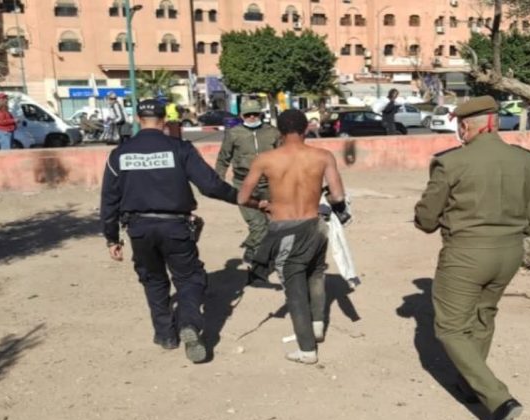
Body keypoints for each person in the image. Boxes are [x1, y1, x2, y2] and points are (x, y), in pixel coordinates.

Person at [413, 96, 530, 420]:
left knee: (450, 328)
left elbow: (426, 220)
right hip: (510, 252)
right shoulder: (527, 160)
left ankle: (499, 400)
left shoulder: (451, 163)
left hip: (466, 255)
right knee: (484, 316)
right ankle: (470, 385)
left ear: (465, 127)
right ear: (494, 123)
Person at [100, 99, 262, 363]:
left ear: (138, 119)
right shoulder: (179, 148)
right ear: (164, 119)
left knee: (153, 280)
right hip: (175, 226)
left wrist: (111, 237)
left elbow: (109, 199)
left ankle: (166, 334)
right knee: (189, 279)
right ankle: (189, 323)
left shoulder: (119, 154)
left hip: (138, 229)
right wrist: (245, 199)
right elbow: (211, 186)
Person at [238, 109, 347, 365]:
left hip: (285, 227)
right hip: (315, 224)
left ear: (279, 131)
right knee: (316, 273)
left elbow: (243, 198)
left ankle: (307, 349)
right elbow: (338, 196)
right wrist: (324, 198)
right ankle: (317, 326)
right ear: (306, 128)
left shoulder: (265, 159)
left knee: (294, 287)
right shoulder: (323, 156)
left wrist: (263, 205)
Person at [216, 99, 281, 264]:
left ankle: (259, 251)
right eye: (248, 114)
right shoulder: (234, 134)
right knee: (258, 224)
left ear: (261, 114)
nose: (252, 117)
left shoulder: (272, 132)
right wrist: (218, 181)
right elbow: (223, 158)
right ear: (241, 115)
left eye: (255, 114)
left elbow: (283, 156)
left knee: (273, 223)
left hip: (269, 185)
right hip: (243, 185)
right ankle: (253, 254)